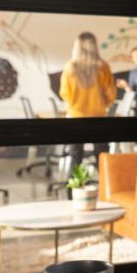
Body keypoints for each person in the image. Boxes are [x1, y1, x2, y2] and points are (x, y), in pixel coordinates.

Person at [60, 31, 115, 170]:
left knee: (75, 155)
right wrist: (101, 105)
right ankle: (105, 189)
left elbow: (64, 93)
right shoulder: (103, 66)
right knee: (102, 156)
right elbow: (111, 94)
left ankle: (73, 189)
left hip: (76, 116)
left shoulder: (70, 67)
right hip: (99, 116)